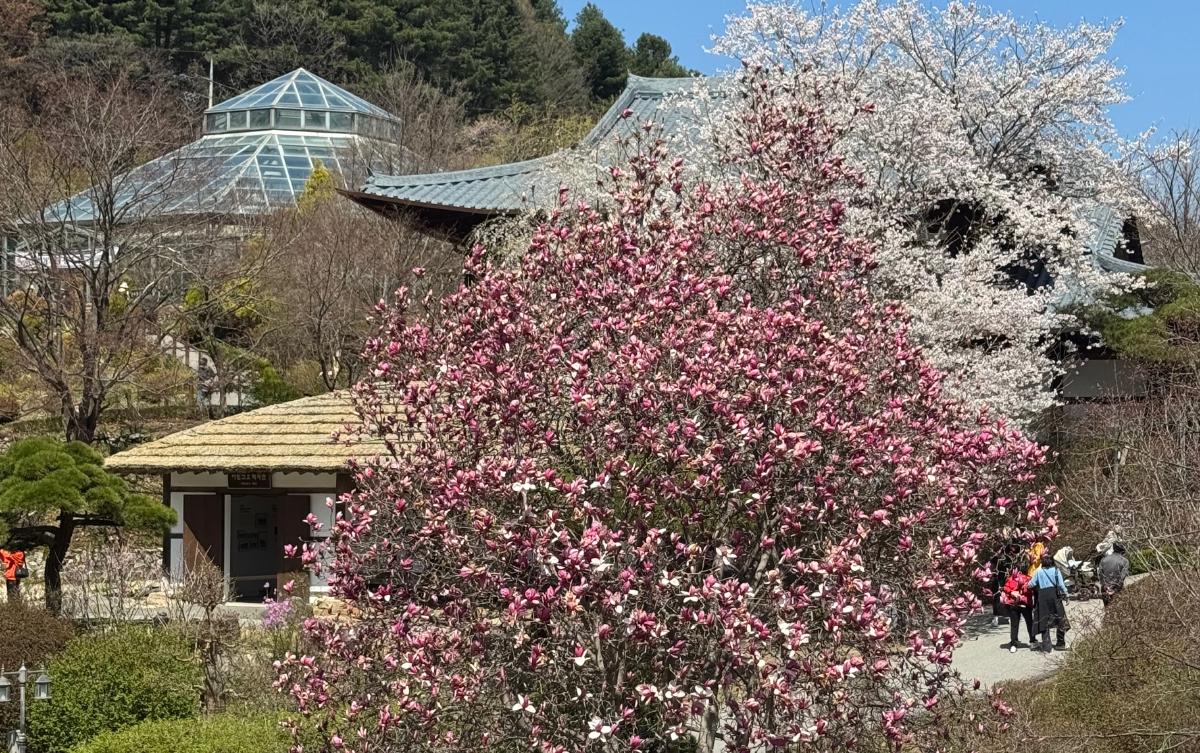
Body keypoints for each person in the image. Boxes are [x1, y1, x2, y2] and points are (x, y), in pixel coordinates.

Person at [1030, 553, 1068, 652]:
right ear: (1052, 561)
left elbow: (1031, 584)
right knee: (1060, 619)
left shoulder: (1039, 572)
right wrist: (1066, 595)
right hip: (1054, 596)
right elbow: (1061, 585)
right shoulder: (1056, 570)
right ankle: (1060, 643)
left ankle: (1047, 646)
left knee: (1044, 620)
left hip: (1042, 597)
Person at [1000, 565, 1035, 653]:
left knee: (1014, 625)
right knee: (1029, 623)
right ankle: (1032, 641)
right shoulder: (1028, 578)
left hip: (1013, 604)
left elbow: (1005, 588)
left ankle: (1013, 644)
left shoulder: (1010, 578)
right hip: (1025, 604)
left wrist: (1012, 592)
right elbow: (1031, 590)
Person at [1098, 542, 1130, 607]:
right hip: (1117, 589)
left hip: (1105, 589)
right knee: (1117, 610)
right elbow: (1122, 577)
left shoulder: (1103, 559)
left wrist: (1105, 586)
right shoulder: (1125, 561)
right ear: (1123, 550)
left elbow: (1100, 574)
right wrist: (1115, 589)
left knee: (1107, 609)